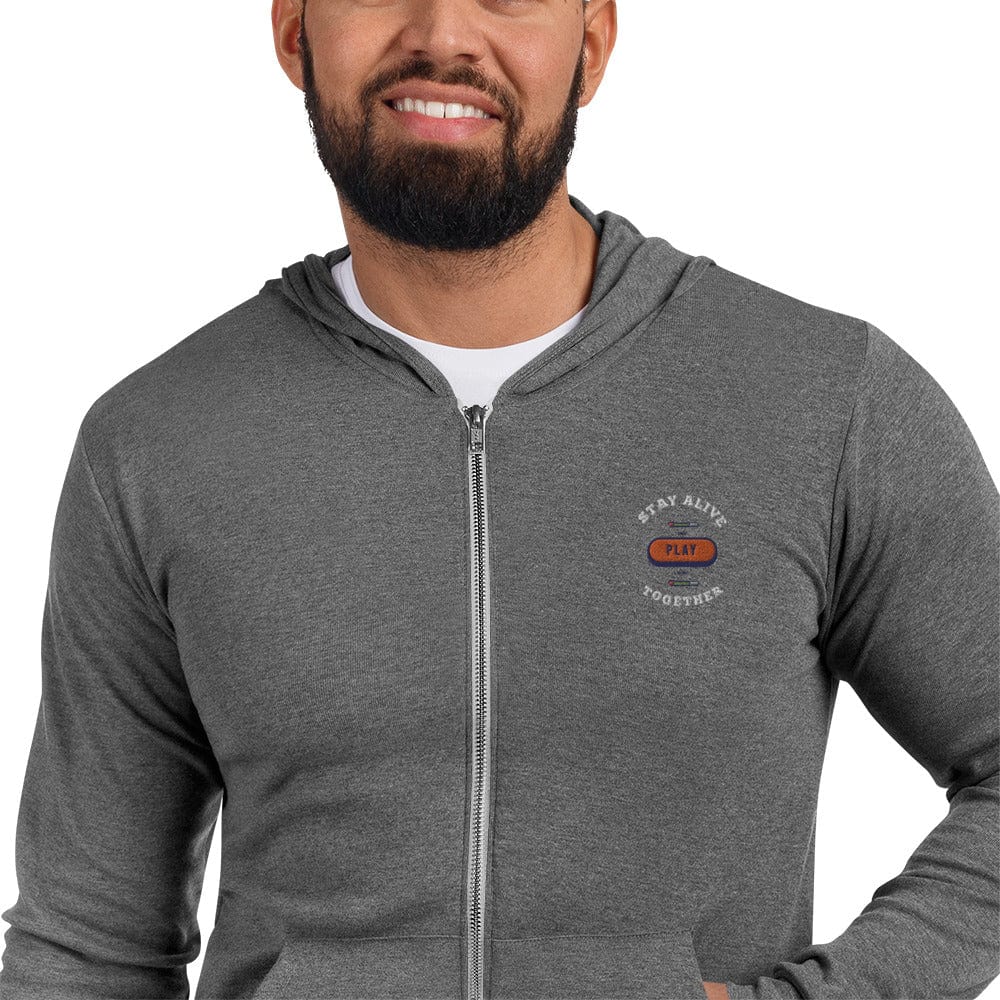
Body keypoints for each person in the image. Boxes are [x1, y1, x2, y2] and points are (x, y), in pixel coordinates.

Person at [1, 0, 997, 997]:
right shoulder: (158, 442)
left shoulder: (825, 401)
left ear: (590, 45)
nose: (442, 34)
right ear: (295, 32)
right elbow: (86, 947)